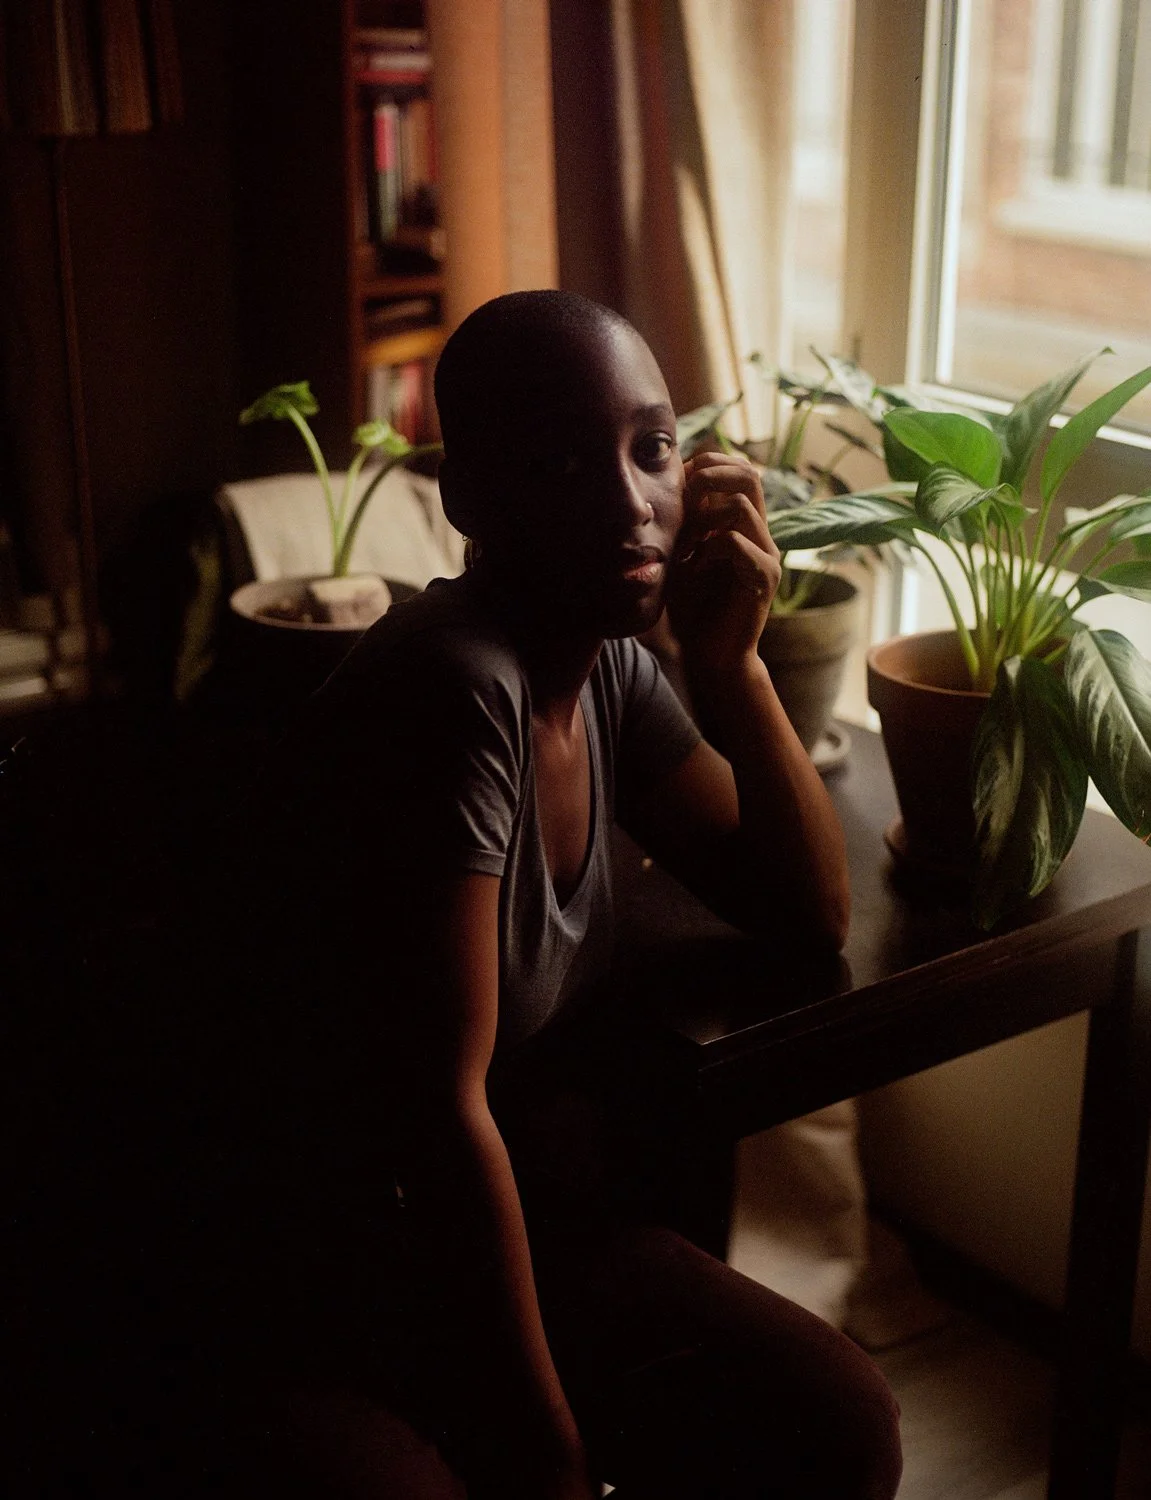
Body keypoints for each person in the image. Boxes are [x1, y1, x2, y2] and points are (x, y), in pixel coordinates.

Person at [210, 290, 901, 1500]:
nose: (631, 503)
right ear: (468, 498)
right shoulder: (458, 685)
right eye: (563, 460)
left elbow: (808, 910)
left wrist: (730, 664)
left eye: (653, 450)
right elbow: (436, 1115)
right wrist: (549, 1447)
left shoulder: (608, 668)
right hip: (318, 1262)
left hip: (504, 1224)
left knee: (841, 1420)